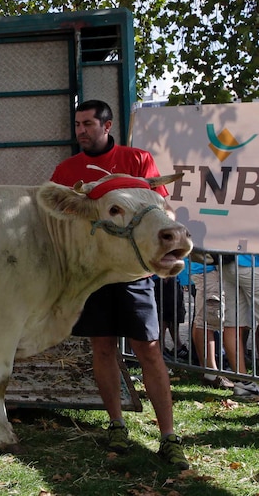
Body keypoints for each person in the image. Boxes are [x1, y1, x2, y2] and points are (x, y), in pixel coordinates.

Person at [50, 99, 189, 470]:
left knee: (150, 350)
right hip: (94, 278)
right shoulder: (67, 170)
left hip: (134, 276)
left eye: (88, 124)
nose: (81, 131)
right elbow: (59, 217)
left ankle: (169, 437)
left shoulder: (138, 161)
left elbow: (162, 212)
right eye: (77, 124)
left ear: (107, 126)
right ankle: (117, 424)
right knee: (103, 349)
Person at [189, 261, 235, 389]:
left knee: (208, 320)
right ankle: (210, 372)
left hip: (212, 270)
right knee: (205, 321)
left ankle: (211, 371)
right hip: (207, 270)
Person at [220, 254, 259, 396]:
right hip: (251, 264)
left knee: (233, 323)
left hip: (227, 263)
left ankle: (242, 382)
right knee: (233, 323)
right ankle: (243, 382)